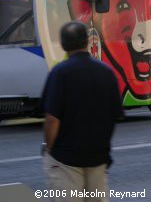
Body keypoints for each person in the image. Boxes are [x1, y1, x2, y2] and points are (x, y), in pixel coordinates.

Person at [41, 21, 122, 201]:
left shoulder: (60, 73)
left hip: (65, 159)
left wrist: (49, 147)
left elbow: (52, 119)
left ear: (63, 45)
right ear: (87, 42)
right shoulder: (106, 72)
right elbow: (114, 115)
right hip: (97, 157)